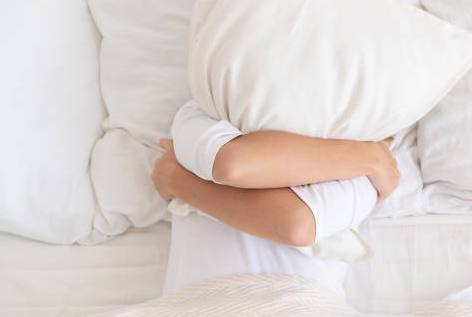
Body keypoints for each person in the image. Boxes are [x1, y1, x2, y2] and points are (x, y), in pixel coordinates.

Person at [151, 100, 400, 299]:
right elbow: (232, 164)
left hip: (301, 311)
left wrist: (178, 179)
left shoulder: (360, 154)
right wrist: (371, 159)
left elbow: (295, 224)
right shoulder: (204, 111)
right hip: (193, 311)